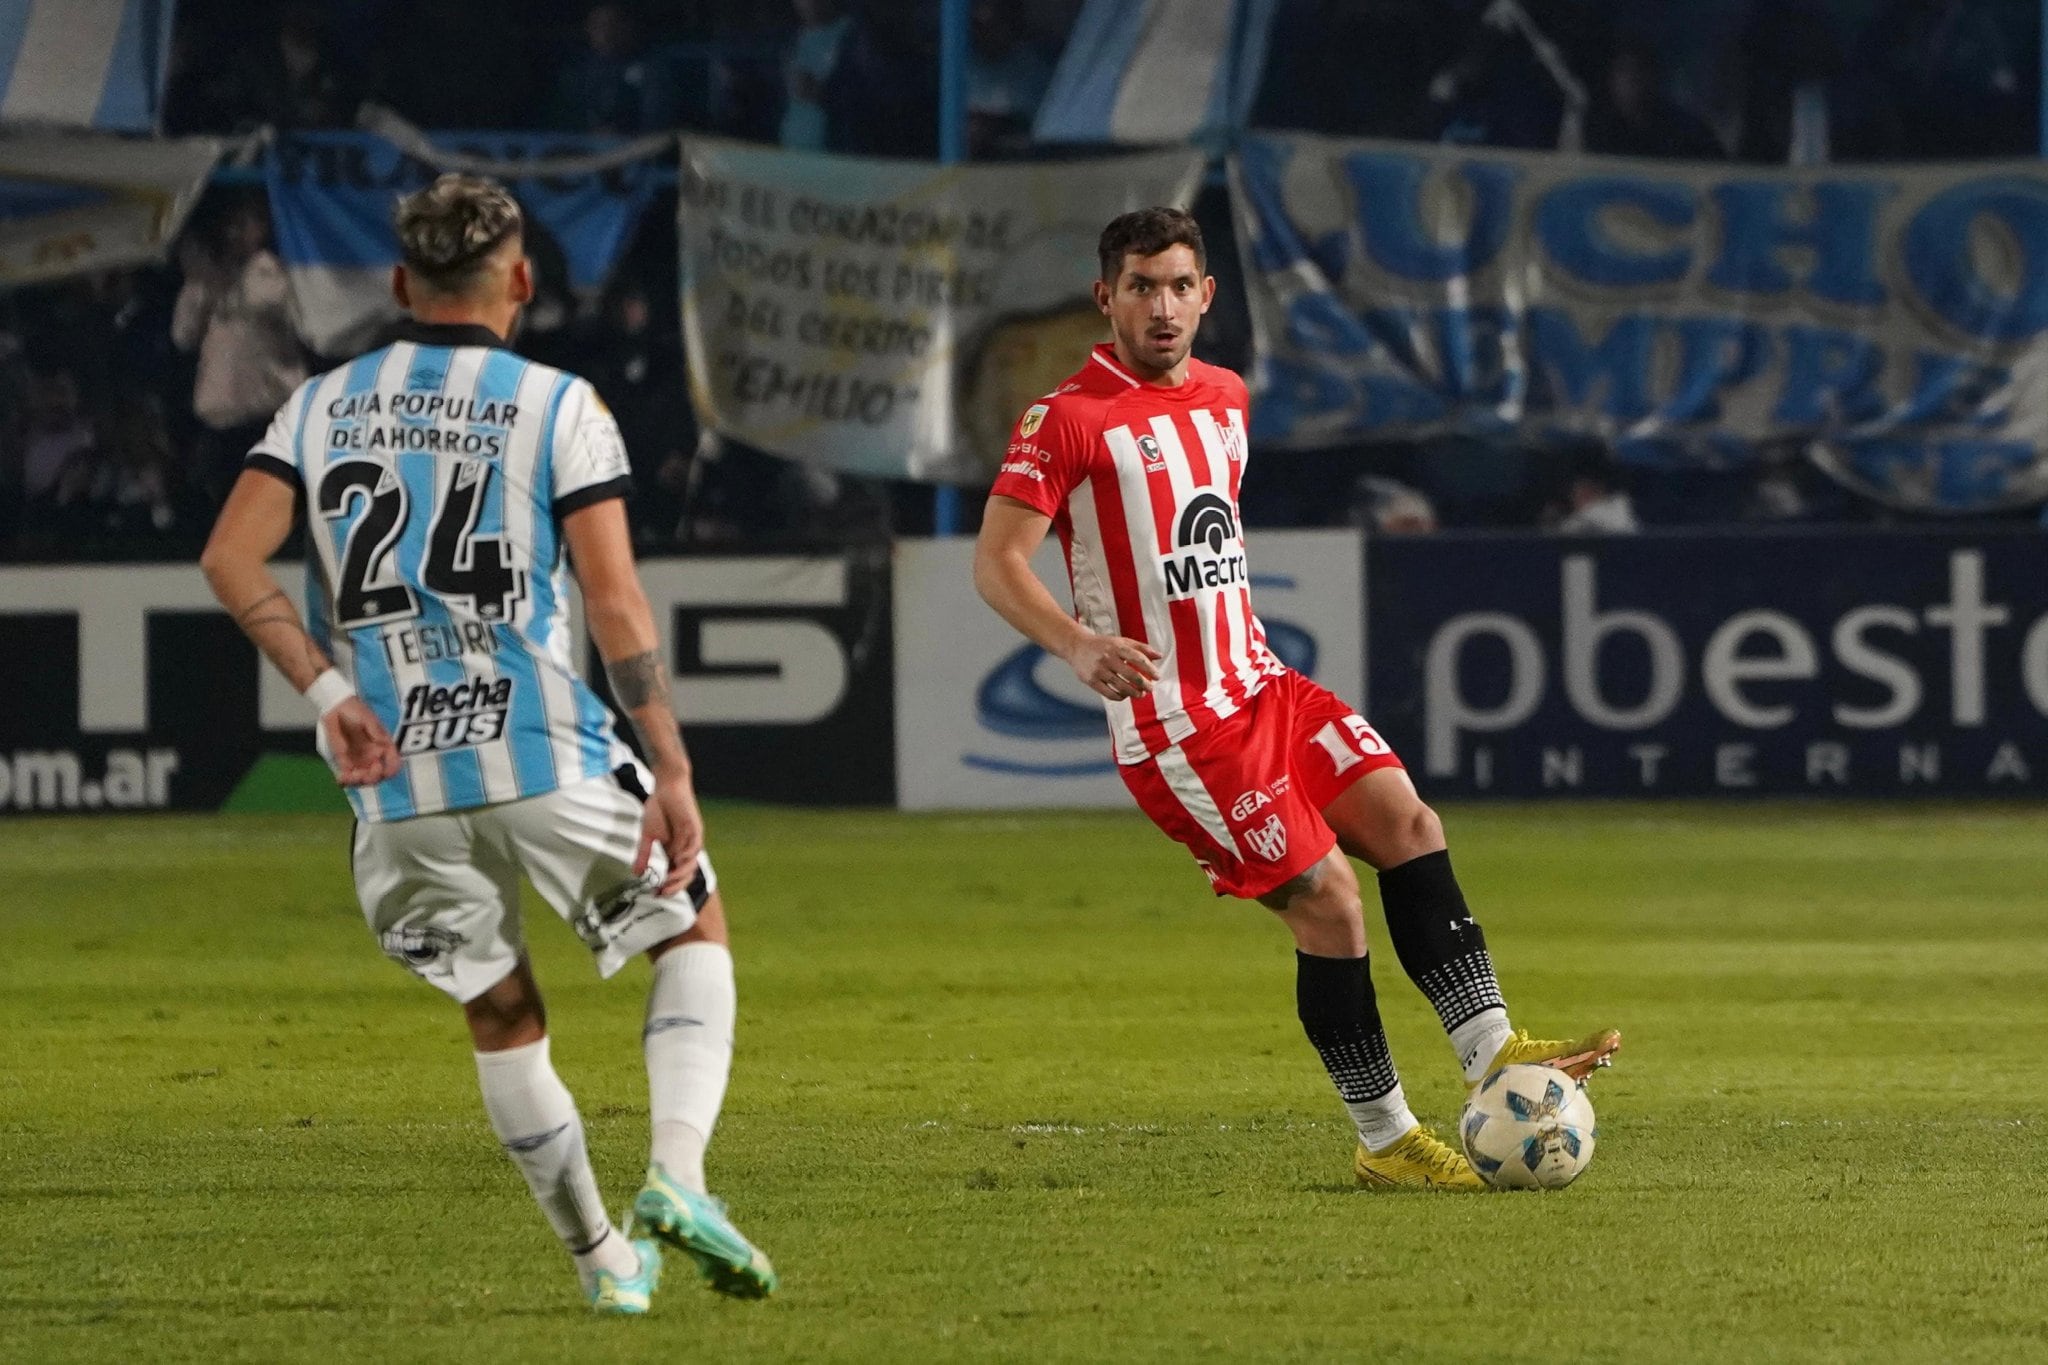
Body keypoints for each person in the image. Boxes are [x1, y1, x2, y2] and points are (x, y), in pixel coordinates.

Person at [199, 174, 776, 1314]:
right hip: (543, 746)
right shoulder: (559, 404)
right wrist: (670, 764)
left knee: (501, 1013)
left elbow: (229, 559)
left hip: (391, 781)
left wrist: (326, 695)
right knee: (691, 926)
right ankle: (678, 1176)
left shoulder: (318, 406)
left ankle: (604, 1267)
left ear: (403, 284)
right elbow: (612, 602)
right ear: (519, 279)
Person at [973, 207, 1621, 1191]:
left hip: (1265, 685)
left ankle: (1492, 1051)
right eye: (1139, 287)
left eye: (1177, 285)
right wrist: (1075, 642)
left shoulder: (1226, 398)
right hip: (1181, 726)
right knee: (1327, 905)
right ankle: (1385, 1140)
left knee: (1406, 821)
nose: (1160, 306)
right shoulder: (1064, 420)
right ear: (1104, 298)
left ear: (1205, 296)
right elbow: (996, 562)